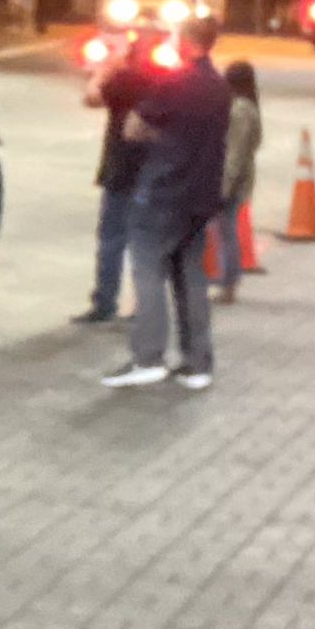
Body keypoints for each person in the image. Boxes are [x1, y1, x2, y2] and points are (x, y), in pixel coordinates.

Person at [103, 19, 231, 391]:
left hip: (162, 191)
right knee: (191, 278)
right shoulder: (219, 87)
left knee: (147, 274)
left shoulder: (175, 84)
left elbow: (133, 127)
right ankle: (197, 363)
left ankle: (148, 357)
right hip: (200, 195)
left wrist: (160, 138)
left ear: (188, 41)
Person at [71, 51, 164, 326]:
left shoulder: (123, 80)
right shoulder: (166, 84)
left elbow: (91, 98)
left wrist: (102, 72)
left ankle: (104, 304)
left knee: (111, 240)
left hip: (119, 172)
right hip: (153, 174)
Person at [205, 58, 263, 303]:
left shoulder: (238, 110)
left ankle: (228, 283)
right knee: (226, 230)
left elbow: (235, 153)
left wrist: (224, 186)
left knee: (224, 231)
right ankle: (228, 281)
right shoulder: (251, 107)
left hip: (231, 181)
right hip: (241, 179)